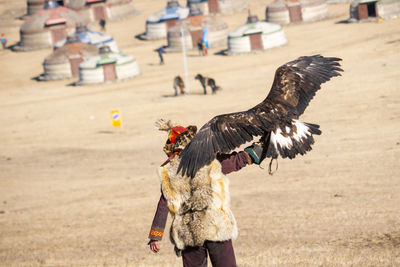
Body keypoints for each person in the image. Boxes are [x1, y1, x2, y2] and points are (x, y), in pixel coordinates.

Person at [148, 119, 266, 267]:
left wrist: (155, 236)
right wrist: (256, 151)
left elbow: (164, 203)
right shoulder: (208, 160)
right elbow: (235, 161)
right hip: (216, 226)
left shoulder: (170, 172)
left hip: (189, 232)